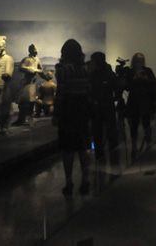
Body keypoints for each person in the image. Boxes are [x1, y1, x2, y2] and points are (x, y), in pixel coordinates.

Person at [53, 39, 92, 195]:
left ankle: (69, 182)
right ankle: (85, 180)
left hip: (68, 110)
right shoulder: (86, 69)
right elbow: (89, 92)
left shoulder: (62, 69)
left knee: (67, 149)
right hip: (82, 109)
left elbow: (60, 94)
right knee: (84, 147)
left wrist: (56, 113)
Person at [89, 52, 120, 165]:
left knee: (99, 133)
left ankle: (101, 158)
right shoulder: (109, 74)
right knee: (108, 133)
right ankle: (113, 159)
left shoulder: (94, 75)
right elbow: (117, 91)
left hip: (101, 108)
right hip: (106, 107)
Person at [125, 53, 156, 156]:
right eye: (138, 60)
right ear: (134, 61)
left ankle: (148, 142)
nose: (140, 63)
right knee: (134, 124)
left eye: (142, 60)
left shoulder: (147, 71)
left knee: (146, 122)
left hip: (145, 100)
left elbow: (154, 82)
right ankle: (134, 144)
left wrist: (145, 79)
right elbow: (126, 86)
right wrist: (135, 78)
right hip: (134, 101)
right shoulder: (130, 72)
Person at [14, 44, 46, 126]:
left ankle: (29, 119)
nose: (37, 51)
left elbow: (41, 70)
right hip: (26, 83)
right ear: (31, 50)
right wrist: (31, 69)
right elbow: (21, 67)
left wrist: (46, 78)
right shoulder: (27, 59)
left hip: (32, 83)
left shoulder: (37, 59)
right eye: (35, 49)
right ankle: (21, 119)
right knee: (24, 102)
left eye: (37, 49)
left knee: (31, 102)